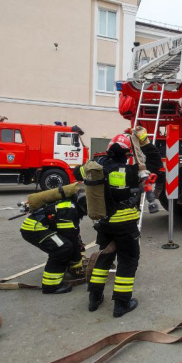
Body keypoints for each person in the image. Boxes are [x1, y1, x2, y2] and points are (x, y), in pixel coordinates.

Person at [86, 134, 143, 316]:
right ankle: (121, 304)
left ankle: (94, 298)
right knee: (128, 261)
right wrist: (143, 143)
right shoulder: (129, 171)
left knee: (104, 257)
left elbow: (78, 172)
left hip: (104, 222)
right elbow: (152, 166)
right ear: (126, 152)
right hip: (125, 224)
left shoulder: (99, 168)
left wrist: (99, 160)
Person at [21, 186, 87, 294]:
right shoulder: (69, 209)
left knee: (66, 244)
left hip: (39, 227)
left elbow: (72, 234)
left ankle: (63, 267)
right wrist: (76, 261)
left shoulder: (71, 205)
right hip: (34, 229)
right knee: (63, 248)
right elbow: (70, 236)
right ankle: (51, 286)